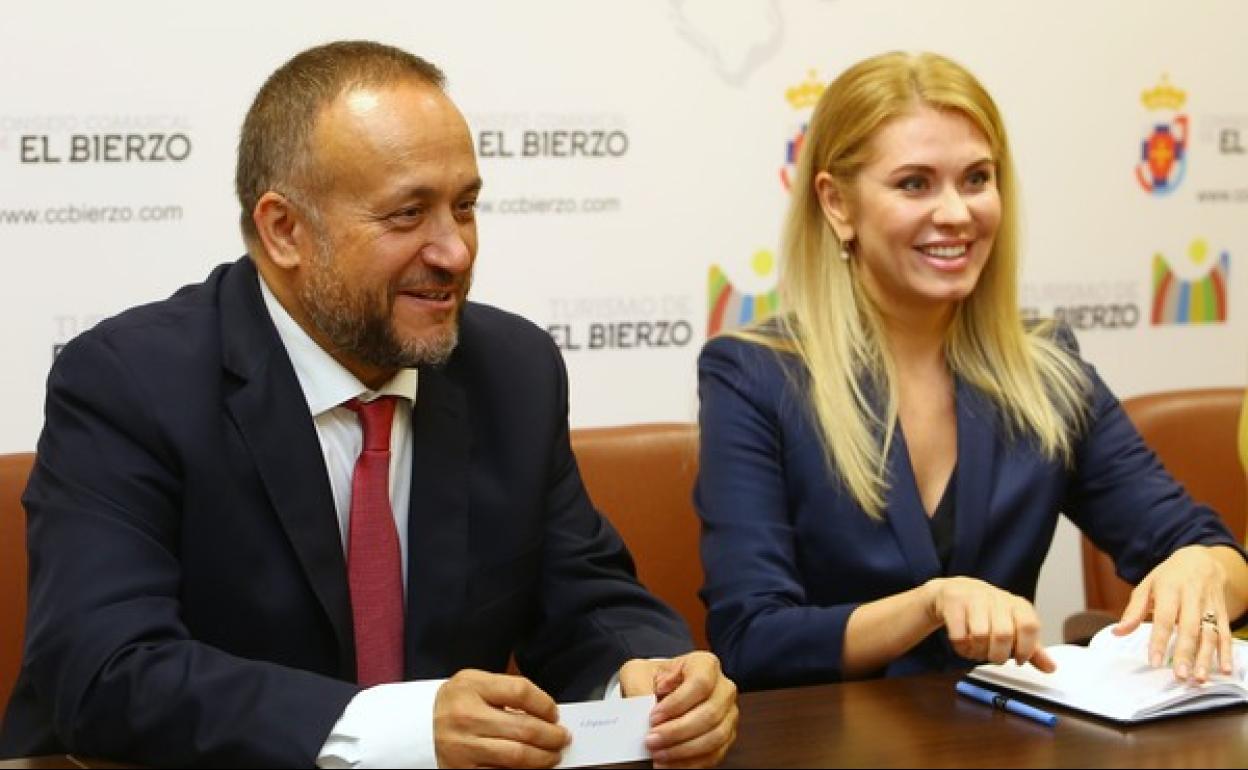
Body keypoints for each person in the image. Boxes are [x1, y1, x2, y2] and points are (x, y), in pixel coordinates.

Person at [0, 41, 737, 768]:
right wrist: (403, 726)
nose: (455, 252)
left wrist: (650, 677)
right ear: (284, 229)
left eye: (465, 206)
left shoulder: (513, 370)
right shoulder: (131, 381)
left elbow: (586, 599)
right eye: (407, 214)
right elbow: (104, 673)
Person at [695, 51, 1248, 692]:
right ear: (837, 204)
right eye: (914, 183)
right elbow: (751, 639)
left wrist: (1205, 565)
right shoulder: (755, 375)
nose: (957, 212)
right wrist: (927, 605)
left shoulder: (1045, 369)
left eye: (977, 179)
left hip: (1002, 740)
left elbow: (1204, 547)